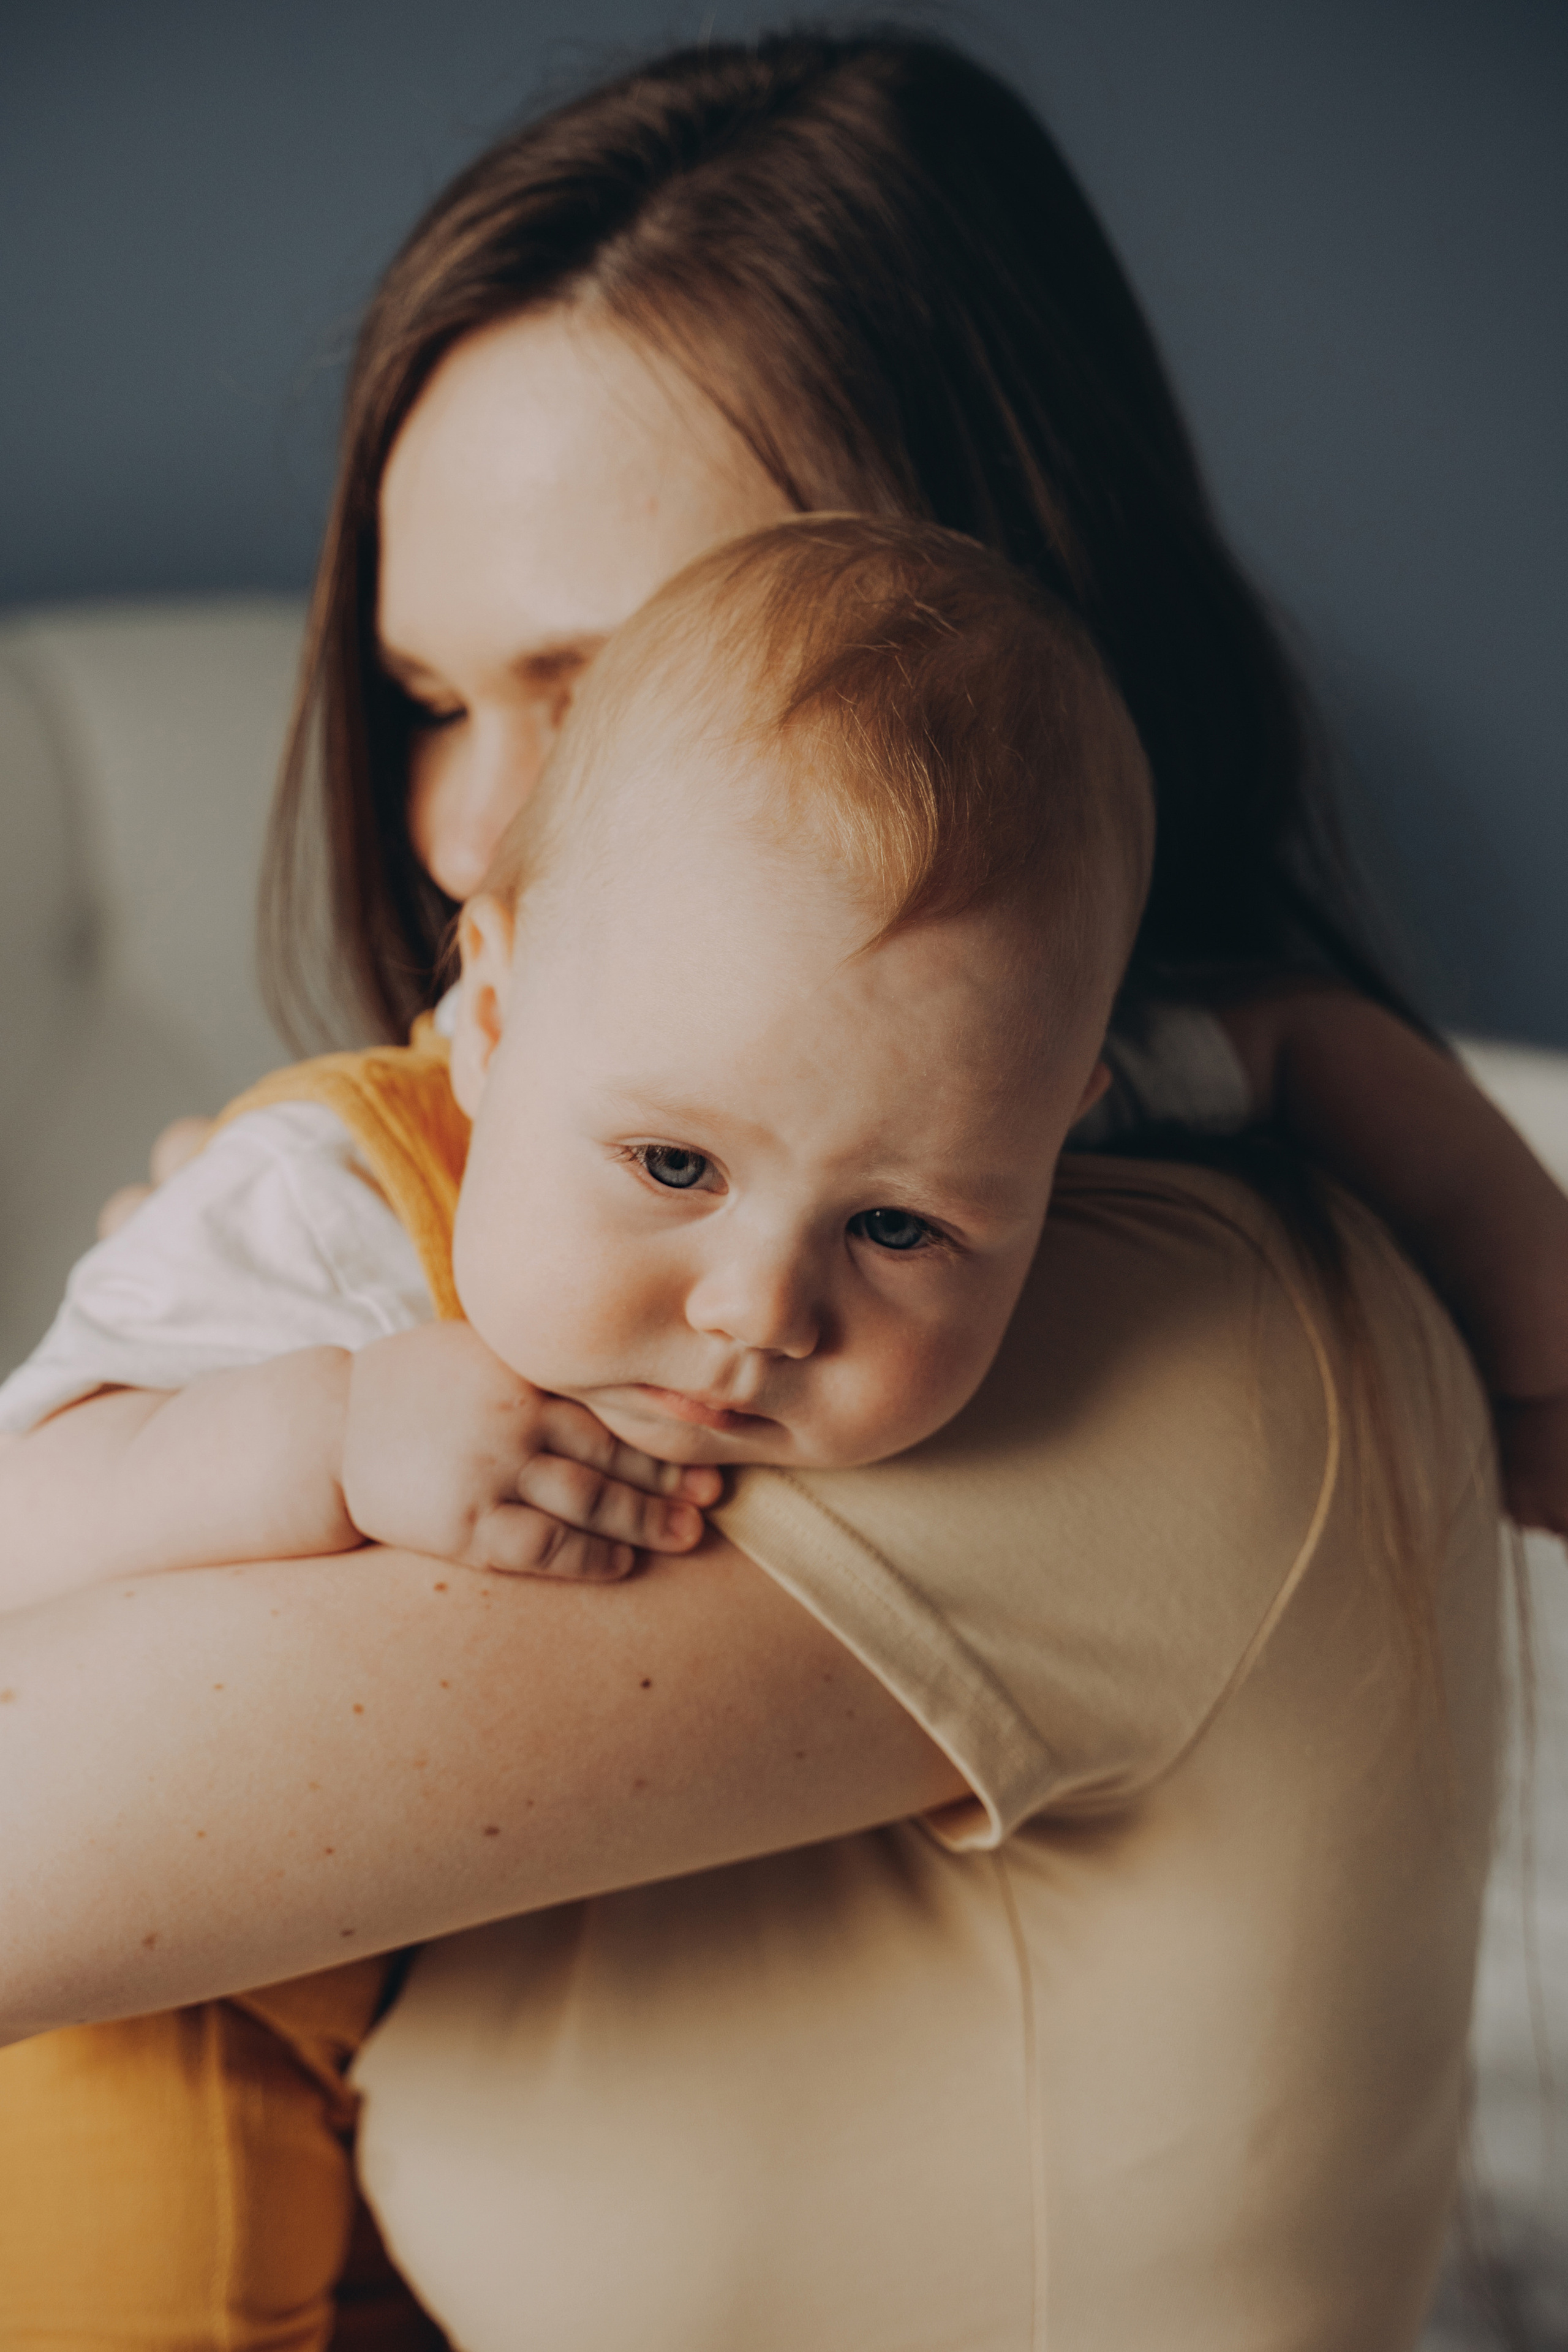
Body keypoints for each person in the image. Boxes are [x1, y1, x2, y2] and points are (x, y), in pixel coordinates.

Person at [0, 27, 1548, 2351]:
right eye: (431, 695)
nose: (456, 831)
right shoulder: (629, 1238)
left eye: (603, 676)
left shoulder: (1083, 1341)